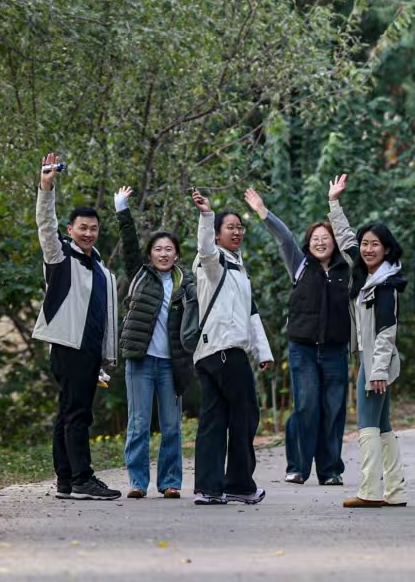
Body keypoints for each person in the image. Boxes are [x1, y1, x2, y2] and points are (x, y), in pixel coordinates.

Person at [246, 184, 350, 487]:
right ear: (309, 243)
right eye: (315, 239)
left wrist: (334, 203)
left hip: (335, 350)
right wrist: (263, 212)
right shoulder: (300, 264)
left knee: (333, 410)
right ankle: (297, 467)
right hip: (302, 349)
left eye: (326, 238)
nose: (320, 243)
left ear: (334, 242)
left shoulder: (347, 269)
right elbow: (284, 237)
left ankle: (330, 470)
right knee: (306, 406)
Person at [32, 160, 121, 500]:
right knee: (78, 414)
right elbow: (44, 224)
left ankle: (66, 480)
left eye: (93, 228)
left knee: (68, 412)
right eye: (82, 227)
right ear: (70, 229)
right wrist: (46, 187)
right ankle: (83, 478)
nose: (88, 233)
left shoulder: (100, 268)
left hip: (89, 350)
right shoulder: (60, 257)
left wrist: (104, 355)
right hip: (68, 345)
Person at [327, 175, 409, 509]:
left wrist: (375, 371)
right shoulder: (368, 277)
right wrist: (334, 203)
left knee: (367, 425)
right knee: (384, 426)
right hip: (373, 360)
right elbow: (346, 238)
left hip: (377, 362)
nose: (368, 248)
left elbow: (387, 332)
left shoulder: (386, 285)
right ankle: (395, 490)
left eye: (375, 244)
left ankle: (370, 490)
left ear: (386, 248)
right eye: (366, 244)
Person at [189, 188, 275, 506]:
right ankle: (239, 484)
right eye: (231, 227)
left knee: (214, 419)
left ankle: (210, 488)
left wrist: (262, 351)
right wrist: (206, 215)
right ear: (217, 234)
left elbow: (250, 312)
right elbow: (206, 250)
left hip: (215, 352)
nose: (237, 231)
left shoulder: (239, 268)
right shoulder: (212, 263)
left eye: (240, 227)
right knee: (245, 414)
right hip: (224, 351)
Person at [114, 186, 193, 499]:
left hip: (171, 364)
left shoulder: (183, 283)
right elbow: (129, 245)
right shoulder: (140, 274)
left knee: (172, 427)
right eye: (158, 249)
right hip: (141, 359)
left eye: (169, 249)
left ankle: (170, 482)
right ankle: (137, 481)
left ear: (176, 254)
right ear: (150, 254)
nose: (163, 253)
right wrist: (122, 209)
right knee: (139, 423)